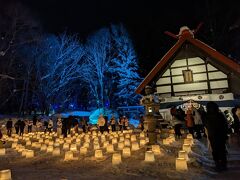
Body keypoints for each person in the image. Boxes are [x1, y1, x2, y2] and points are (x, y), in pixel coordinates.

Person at [206, 102, 228, 171]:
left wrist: (225, 134)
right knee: (217, 150)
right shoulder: (208, 116)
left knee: (220, 150)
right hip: (214, 136)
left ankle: (222, 165)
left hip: (218, 135)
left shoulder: (219, 115)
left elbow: (224, 125)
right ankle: (219, 164)